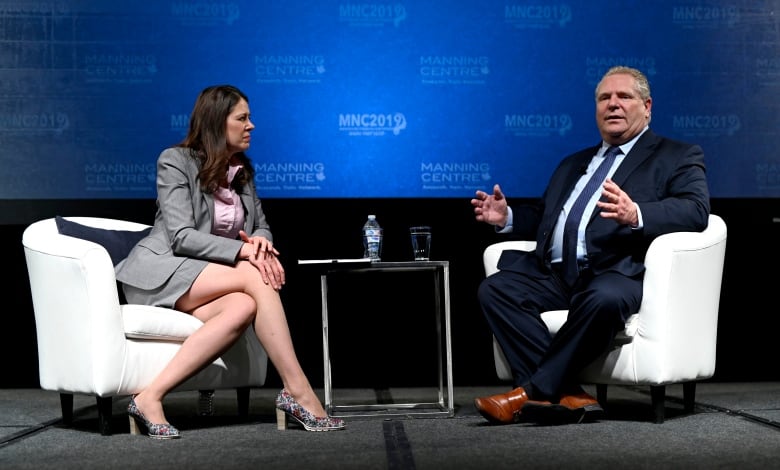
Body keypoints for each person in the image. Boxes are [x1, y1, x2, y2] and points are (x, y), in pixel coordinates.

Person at [470, 66, 710, 425]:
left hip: (616, 272)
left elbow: (696, 210)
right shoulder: (573, 163)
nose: (613, 105)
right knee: (496, 289)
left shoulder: (676, 155)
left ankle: (525, 394)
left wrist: (636, 213)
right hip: (556, 276)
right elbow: (546, 218)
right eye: (604, 98)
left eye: (624, 97)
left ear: (647, 107)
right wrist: (506, 219)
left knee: (604, 298)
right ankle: (567, 394)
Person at [116, 84, 345, 438]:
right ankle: (297, 390)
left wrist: (259, 243)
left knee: (241, 306)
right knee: (254, 276)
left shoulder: (243, 172)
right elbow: (181, 236)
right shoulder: (174, 161)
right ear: (217, 123)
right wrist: (245, 253)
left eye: (249, 118)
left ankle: (149, 396)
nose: (251, 125)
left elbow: (263, 226)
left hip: (209, 278)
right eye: (242, 118)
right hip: (162, 272)